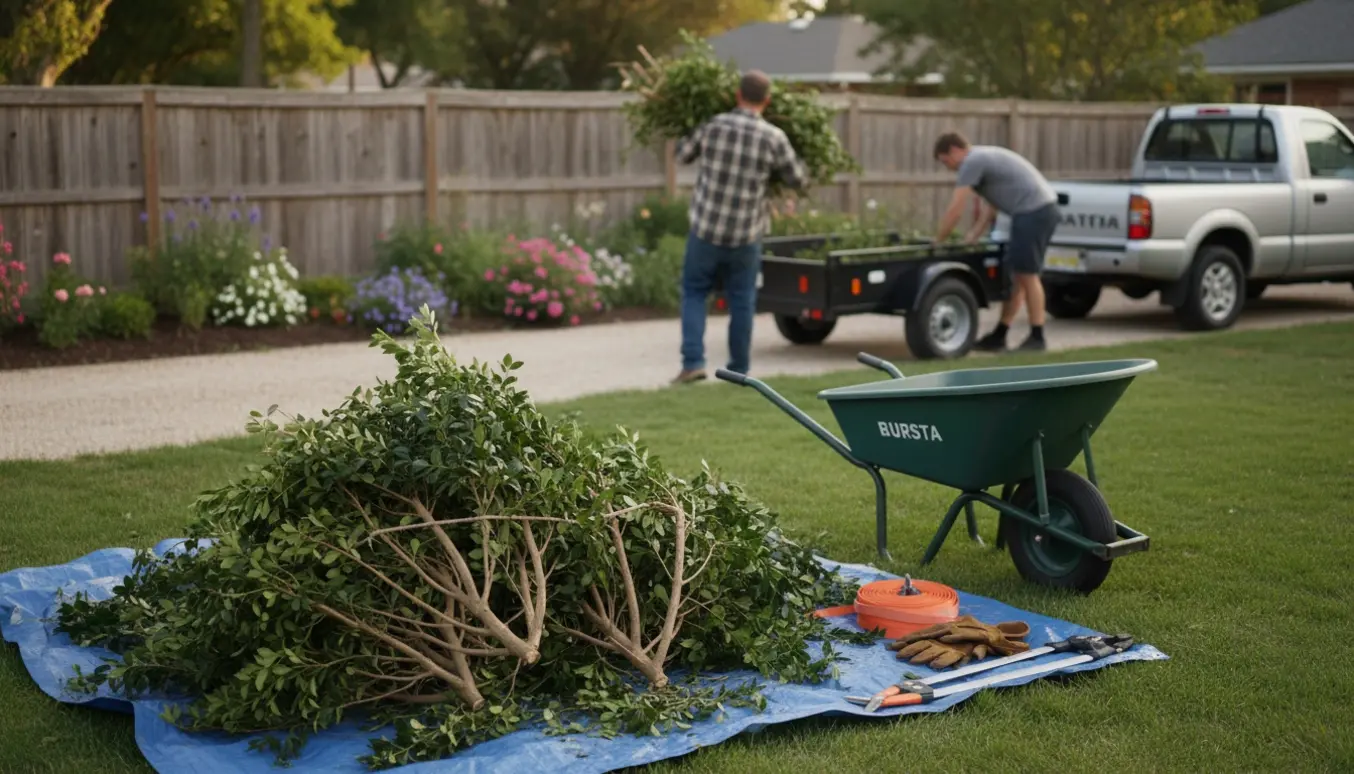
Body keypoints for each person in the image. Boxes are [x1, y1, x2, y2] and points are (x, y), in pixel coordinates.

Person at [669, 70, 807, 384]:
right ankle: (738, 369)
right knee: (742, 299)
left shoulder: (714, 125)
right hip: (746, 235)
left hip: (706, 229)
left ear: (737, 95)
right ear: (767, 101)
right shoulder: (774, 137)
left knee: (693, 293)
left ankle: (693, 363)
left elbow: (682, 154)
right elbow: (797, 178)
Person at [932, 131, 1061, 352]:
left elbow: (956, 209)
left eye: (946, 161)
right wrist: (974, 233)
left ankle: (1037, 337)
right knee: (1018, 276)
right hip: (1036, 211)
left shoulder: (972, 162)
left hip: (1034, 212)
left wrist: (938, 242)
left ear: (955, 150)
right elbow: (994, 203)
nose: (949, 168)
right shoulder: (982, 158)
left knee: (1028, 275)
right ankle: (999, 335)